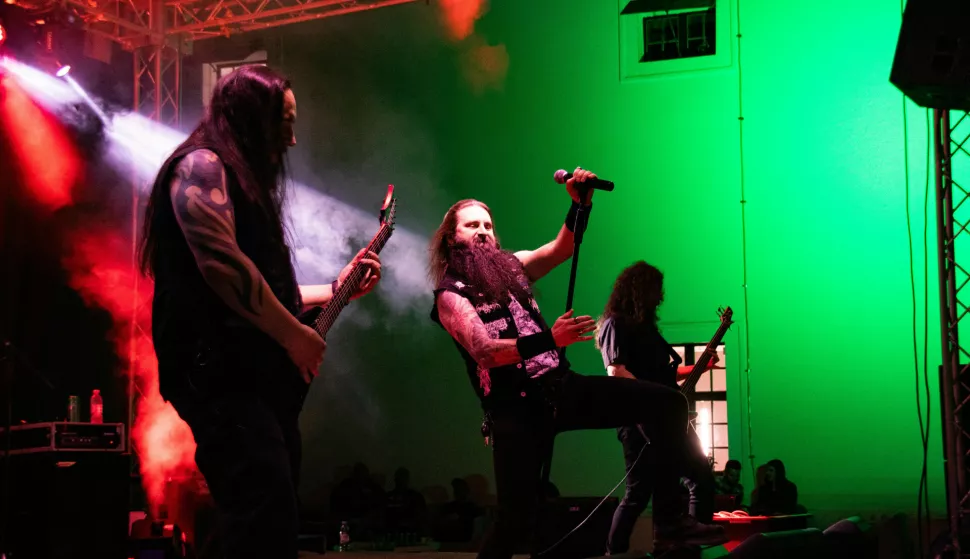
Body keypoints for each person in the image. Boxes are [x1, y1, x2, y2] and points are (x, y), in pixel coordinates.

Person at [138, 64, 382, 559]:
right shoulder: (201, 166)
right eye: (283, 122)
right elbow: (222, 268)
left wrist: (334, 289)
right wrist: (294, 336)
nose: (291, 140)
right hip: (217, 375)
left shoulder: (237, 178)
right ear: (251, 118)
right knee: (264, 509)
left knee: (261, 516)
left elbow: (259, 289)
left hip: (248, 376)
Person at [428, 169, 723, 559]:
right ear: (452, 238)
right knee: (514, 520)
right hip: (515, 409)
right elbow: (484, 351)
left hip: (561, 387)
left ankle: (670, 521)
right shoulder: (450, 295)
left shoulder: (514, 266)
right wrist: (550, 339)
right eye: (471, 225)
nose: (483, 231)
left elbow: (561, 249)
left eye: (488, 225)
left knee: (668, 403)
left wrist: (580, 204)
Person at [595, 261, 723, 553]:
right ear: (639, 289)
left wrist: (701, 366)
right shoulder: (615, 324)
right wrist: (652, 401)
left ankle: (688, 543)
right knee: (638, 494)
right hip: (639, 422)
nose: (660, 297)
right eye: (656, 290)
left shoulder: (647, 330)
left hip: (665, 419)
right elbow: (616, 371)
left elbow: (663, 376)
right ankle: (615, 553)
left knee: (700, 475)